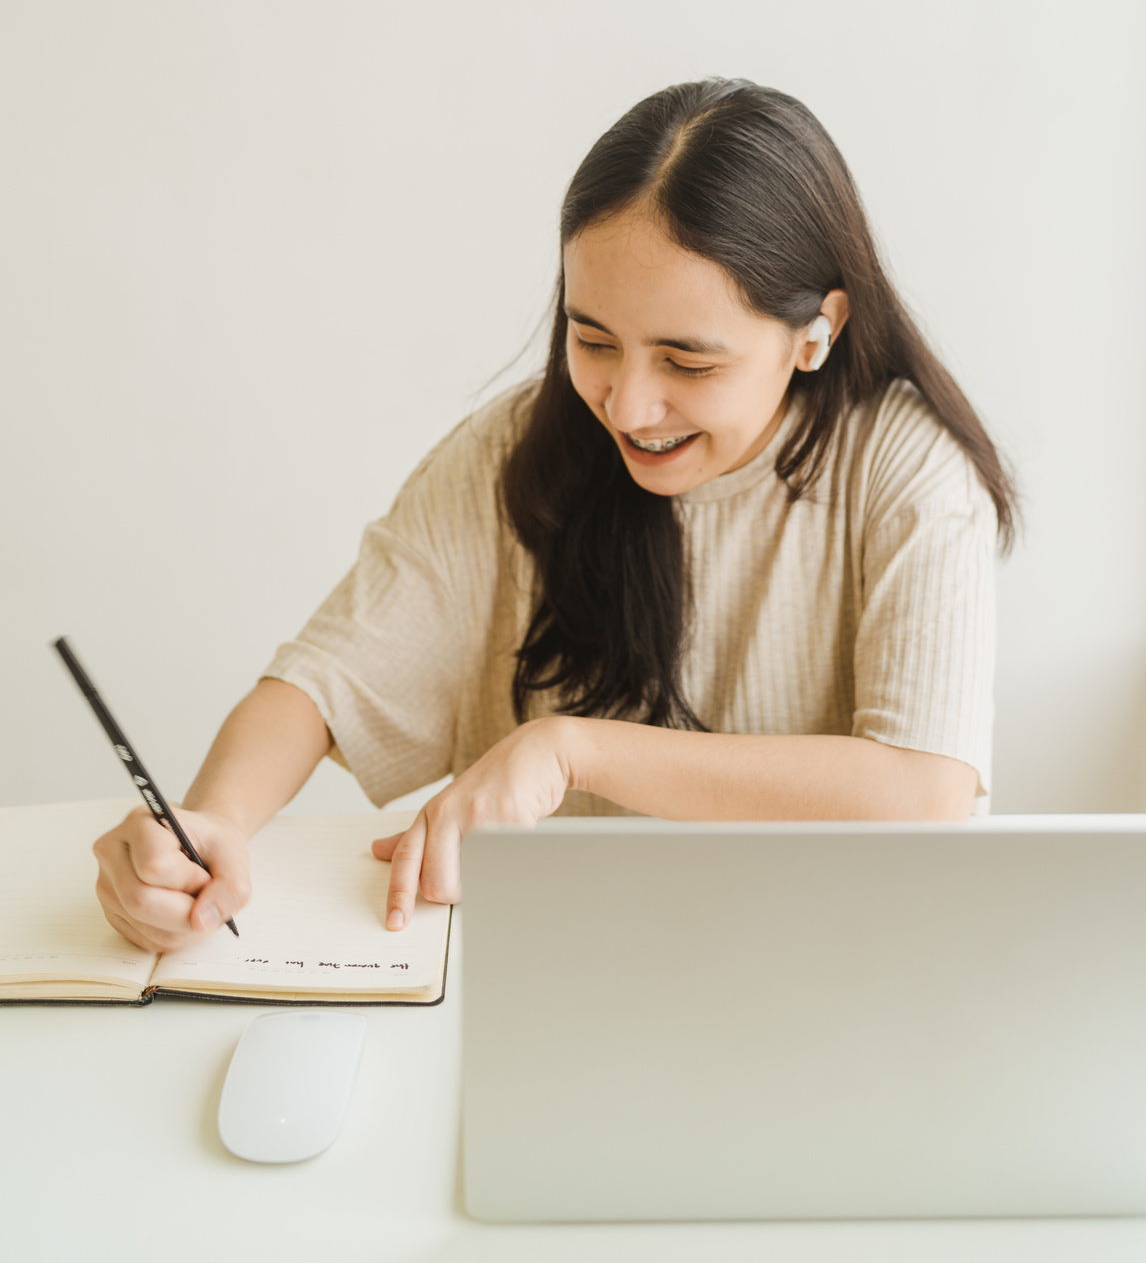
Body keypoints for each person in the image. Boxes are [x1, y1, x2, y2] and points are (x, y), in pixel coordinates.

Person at [93, 79, 1015, 953]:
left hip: (815, 973)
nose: (628, 405)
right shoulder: (514, 454)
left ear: (816, 330)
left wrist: (575, 751)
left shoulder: (907, 471)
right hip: (542, 971)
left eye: (688, 363)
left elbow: (923, 789)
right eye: (593, 339)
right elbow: (324, 684)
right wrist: (210, 825)